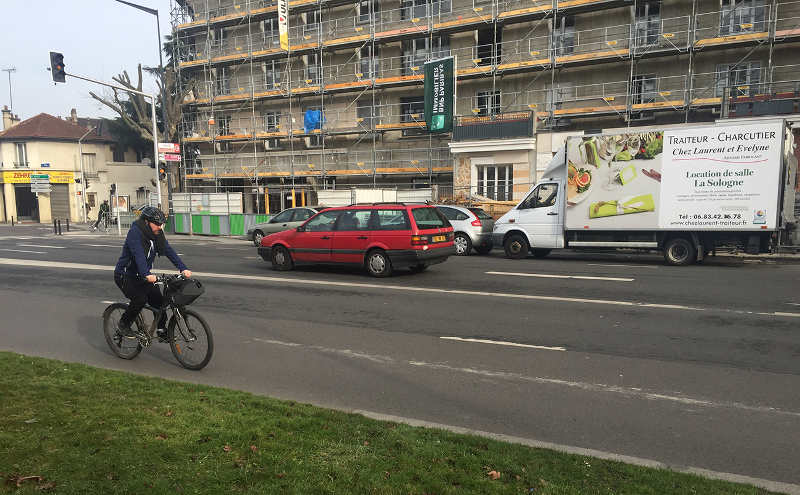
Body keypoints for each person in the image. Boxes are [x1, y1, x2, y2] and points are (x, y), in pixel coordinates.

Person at [113, 206, 192, 340]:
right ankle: (123, 325)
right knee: (140, 299)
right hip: (126, 275)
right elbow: (138, 255)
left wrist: (182, 268)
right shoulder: (135, 232)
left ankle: (161, 330)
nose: (160, 227)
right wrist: (146, 274)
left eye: (161, 224)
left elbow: (168, 250)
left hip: (144, 275)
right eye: (157, 224)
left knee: (160, 303)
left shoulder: (156, 234)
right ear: (146, 222)